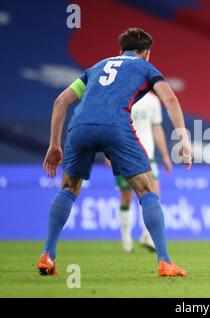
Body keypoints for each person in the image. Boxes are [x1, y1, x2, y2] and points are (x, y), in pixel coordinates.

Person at [38, 28, 192, 277]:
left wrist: (54, 144)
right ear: (147, 54)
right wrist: (183, 138)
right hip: (115, 127)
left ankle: (47, 254)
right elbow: (170, 99)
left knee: (68, 188)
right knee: (147, 189)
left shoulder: (96, 67)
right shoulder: (145, 67)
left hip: (80, 128)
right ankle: (164, 262)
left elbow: (60, 102)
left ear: (119, 51)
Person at [107, 92, 173, 253]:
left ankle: (147, 235)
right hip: (123, 155)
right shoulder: (120, 95)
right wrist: (108, 152)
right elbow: (110, 126)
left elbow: (157, 128)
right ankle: (126, 238)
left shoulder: (152, 100)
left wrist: (165, 155)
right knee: (126, 196)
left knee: (154, 193)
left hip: (147, 156)